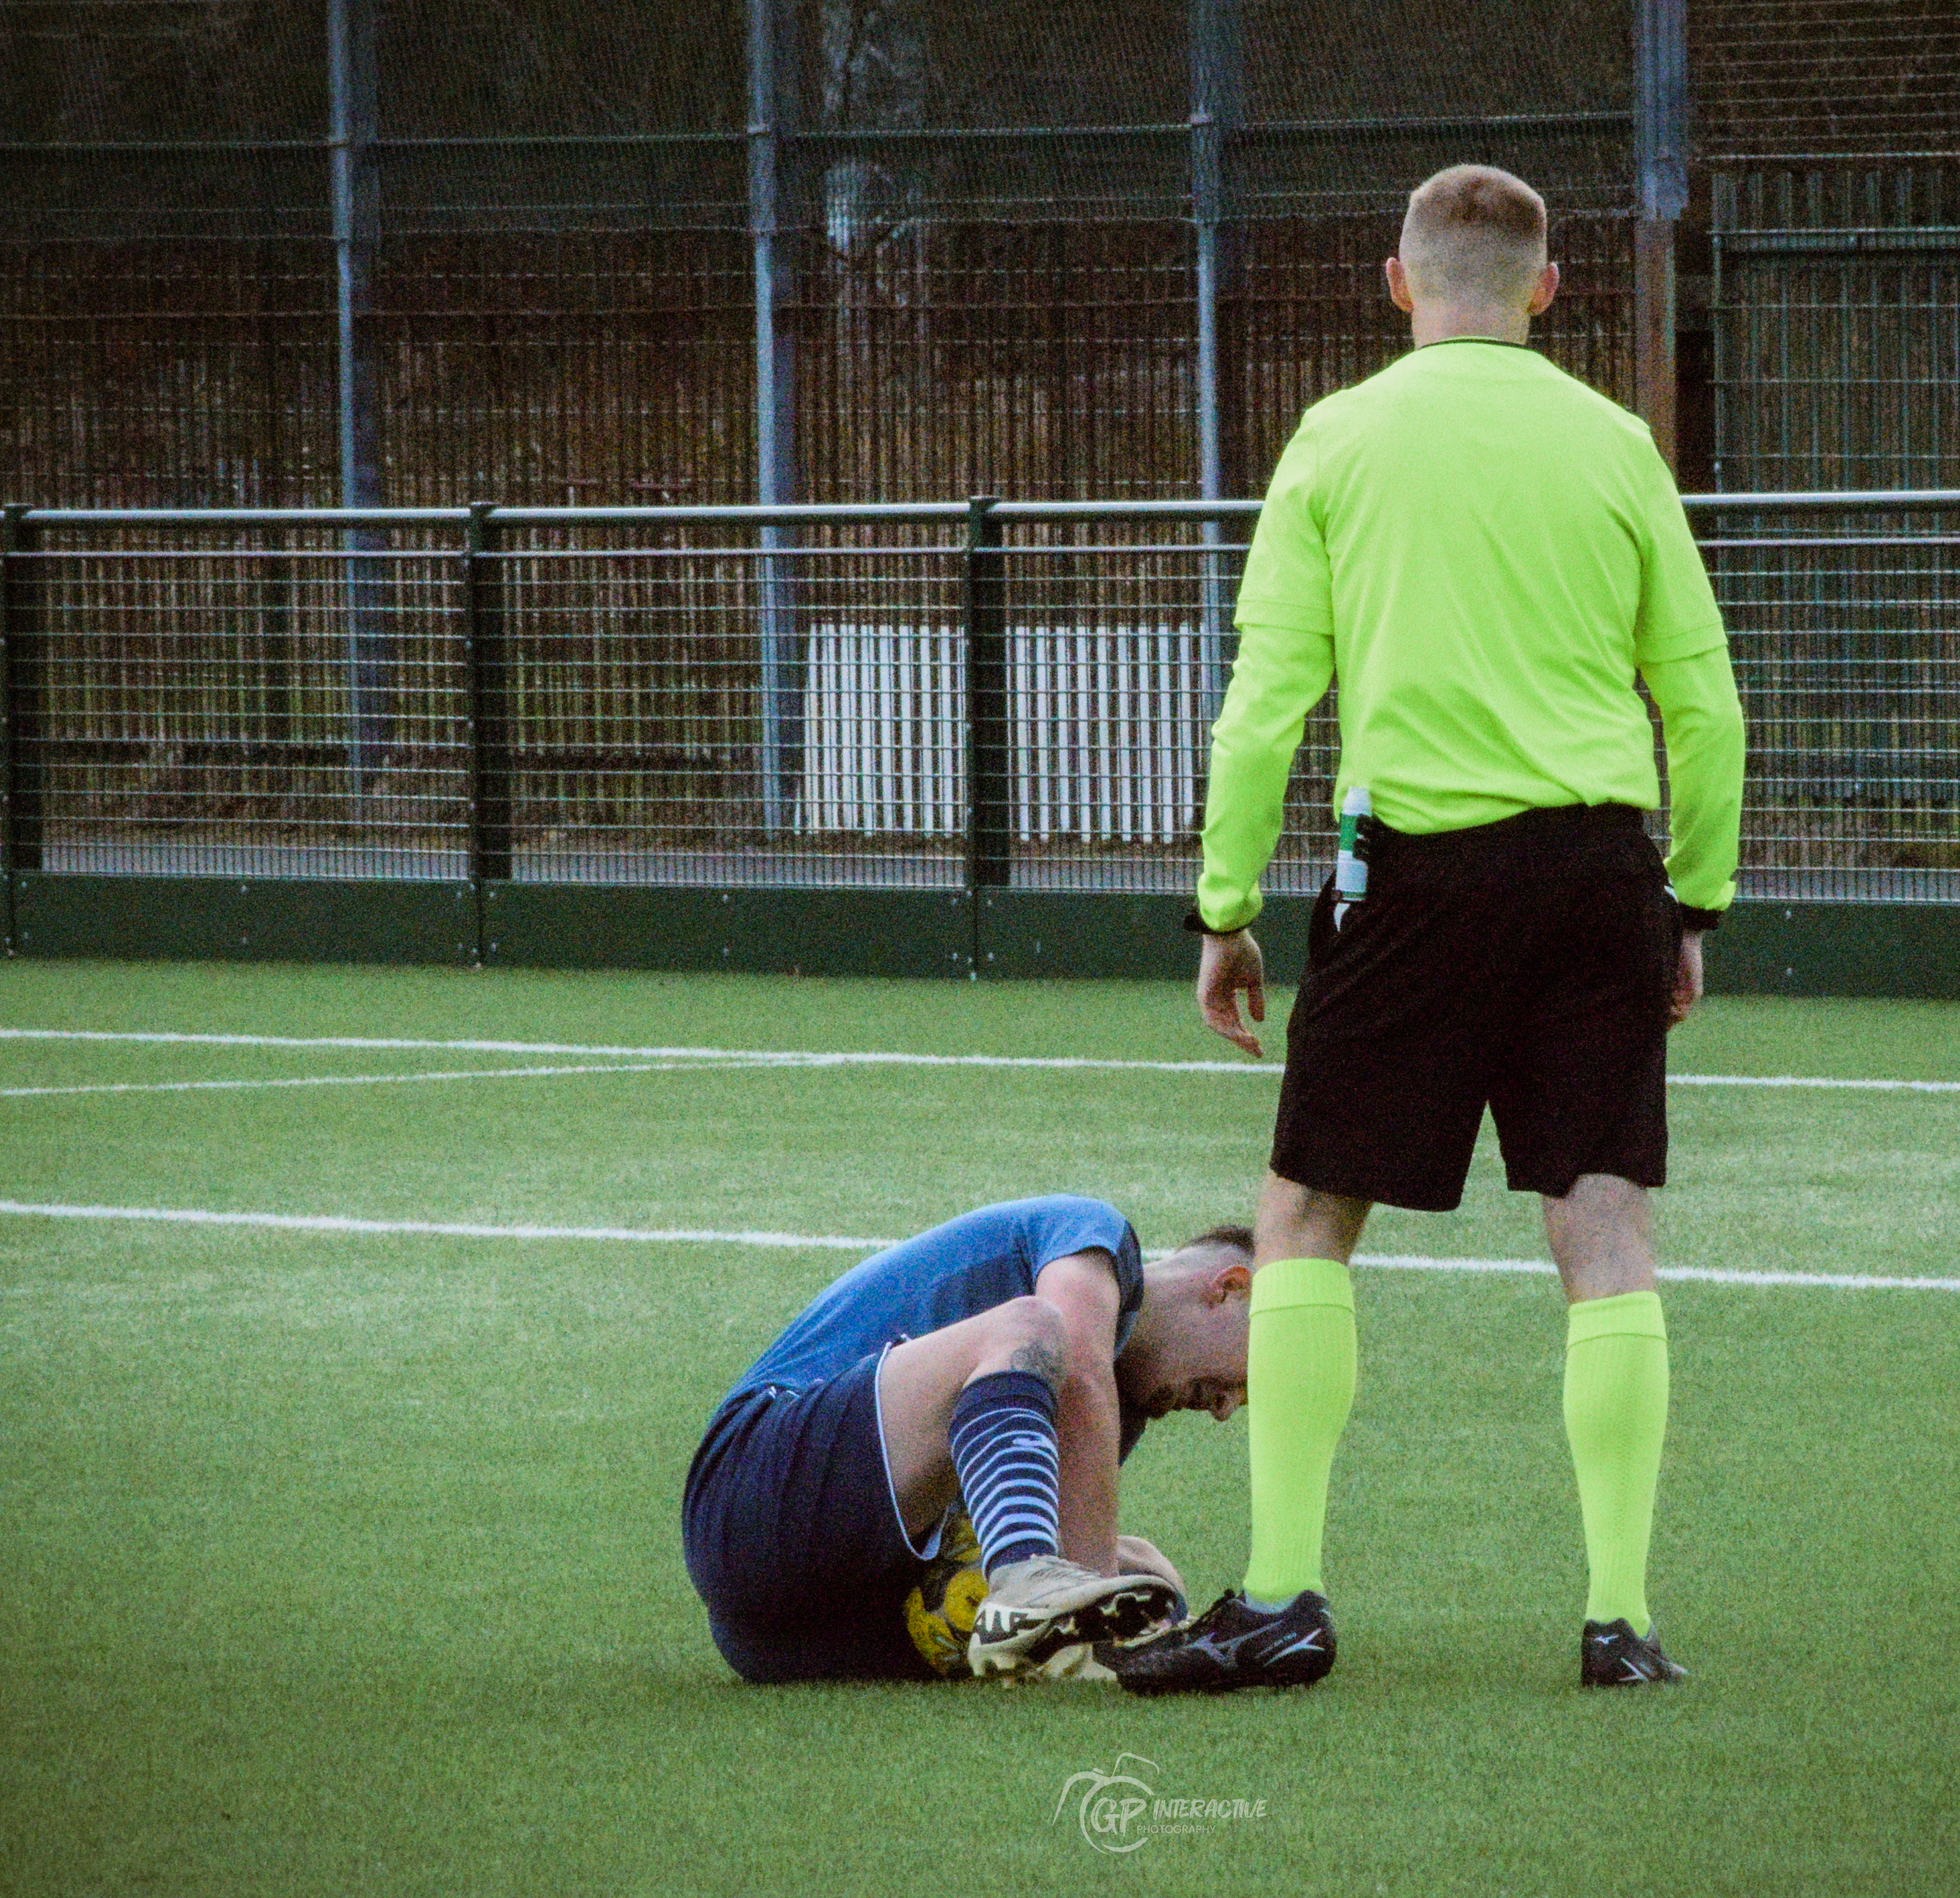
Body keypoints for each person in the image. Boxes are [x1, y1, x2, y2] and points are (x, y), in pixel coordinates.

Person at [1114, 165, 1745, 1697]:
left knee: (1301, 1225)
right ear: (1545, 289)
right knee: (1602, 1233)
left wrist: (1222, 910)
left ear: (1396, 284)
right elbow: (1705, 706)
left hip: (1409, 883)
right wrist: (1690, 899)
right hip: (1596, 873)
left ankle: (1281, 1599)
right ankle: (1618, 1624)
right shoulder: (1613, 445)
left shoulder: (1337, 439)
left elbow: (1261, 709)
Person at [682, 1195, 1256, 1683]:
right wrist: (1096, 1604)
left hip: (789, 1633)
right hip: (744, 1497)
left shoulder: (1118, 1411)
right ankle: (1026, 1576)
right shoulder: (1093, 1234)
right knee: (1033, 1327)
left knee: (1150, 1574)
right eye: (1255, 1377)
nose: (1227, 1408)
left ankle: (1030, 1584)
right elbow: (1079, 1371)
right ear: (1229, 1288)